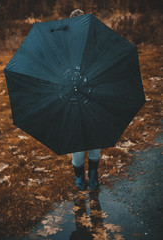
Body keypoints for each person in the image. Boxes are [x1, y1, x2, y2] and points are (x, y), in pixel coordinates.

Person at [70, 9, 101, 191]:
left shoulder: (94, 44)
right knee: (77, 142)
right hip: (73, 97)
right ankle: (79, 176)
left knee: (96, 137)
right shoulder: (66, 47)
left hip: (93, 93)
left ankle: (93, 174)